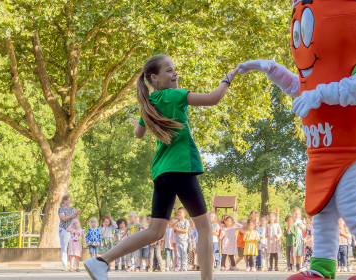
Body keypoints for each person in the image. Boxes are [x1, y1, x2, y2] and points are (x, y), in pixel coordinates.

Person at [238, 0, 356, 278]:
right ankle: (322, 269)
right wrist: (270, 68)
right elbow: (296, 86)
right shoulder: (314, 75)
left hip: (351, 153)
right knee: (323, 214)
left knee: (354, 210)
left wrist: (319, 95)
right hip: (321, 153)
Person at [84, 55, 239, 280]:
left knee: (155, 231)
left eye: (174, 70)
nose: (174, 73)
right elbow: (214, 98)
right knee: (204, 227)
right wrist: (227, 79)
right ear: (154, 77)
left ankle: (101, 261)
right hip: (180, 167)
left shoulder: (149, 104)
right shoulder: (175, 96)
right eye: (169, 71)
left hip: (161, 172)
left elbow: (138, 134)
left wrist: (144, 116)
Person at [58, 195, 81, 271]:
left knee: (73, 247)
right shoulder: (61, 209)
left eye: (69, 200)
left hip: (71, 230)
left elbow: (75, 219)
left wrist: (76, 213)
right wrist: (72, 214)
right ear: (64, 201)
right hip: (64, 229)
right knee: (64, 247)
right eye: (68, 200)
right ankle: (64, 265)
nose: (69, 201)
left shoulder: (72, 209)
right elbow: (64, 218)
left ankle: (73, 265)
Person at [173, 207, 191, 271]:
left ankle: (184, 266)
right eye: (178, 212)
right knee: (178, 254)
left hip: (184, 240)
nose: (179, 213)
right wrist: (177, 220)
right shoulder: (176, 221)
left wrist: (178, 230)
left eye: (180, 212)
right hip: (178, 240)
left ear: (184, 213)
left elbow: (186, 231)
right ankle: (178, 266)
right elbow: (172, 226)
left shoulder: (186, 221)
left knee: (184, 254)